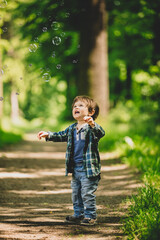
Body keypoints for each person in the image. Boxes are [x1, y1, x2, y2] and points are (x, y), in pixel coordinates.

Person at [37, 95, 105, 225]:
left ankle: (90, 216)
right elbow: (61, 135)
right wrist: (49, 135)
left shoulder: (91, 129)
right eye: (75, 106)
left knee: (87, 194)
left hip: (88, 169)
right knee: (76, 194)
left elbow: (101, 132)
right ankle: (78, 214)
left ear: (91, 112)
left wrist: (92, 124)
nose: (76, 107)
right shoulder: (72, 128)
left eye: (80, 106)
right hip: (76, 168)